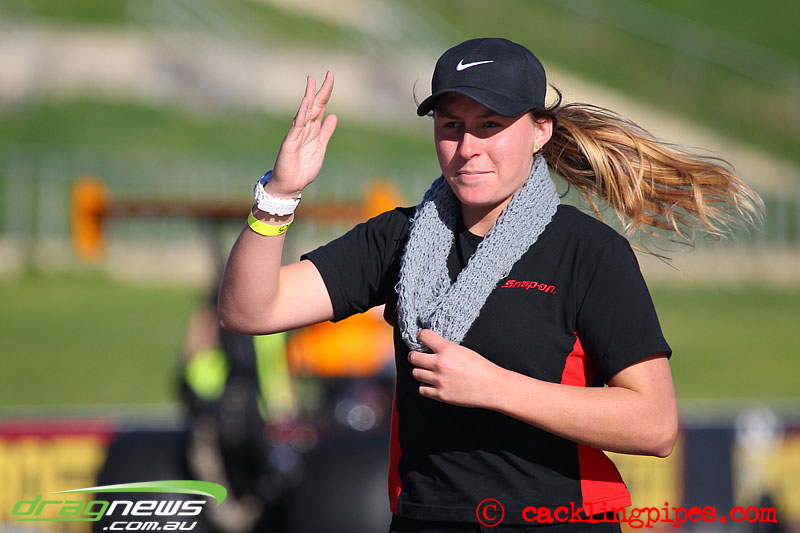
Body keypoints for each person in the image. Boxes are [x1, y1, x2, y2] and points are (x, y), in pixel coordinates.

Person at [218, 38, 763, 532]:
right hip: (425, 519)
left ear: (540, 131)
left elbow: (655, 425)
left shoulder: (588, 251)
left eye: (490, 125)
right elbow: (250, 311)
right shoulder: (397, 237)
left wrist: (494, 387)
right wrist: (279, 196)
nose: (468, 147)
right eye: (451, 126)